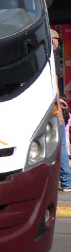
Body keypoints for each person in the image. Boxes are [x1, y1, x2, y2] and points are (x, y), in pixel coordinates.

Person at [51, 28, 71, 191]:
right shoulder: (52, 57)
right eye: (58, 39)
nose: (59, 43)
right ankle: (66, 182)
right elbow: (54, 88)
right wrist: (59, 108)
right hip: (52, 111)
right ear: (52, 40)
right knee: (61, 146)